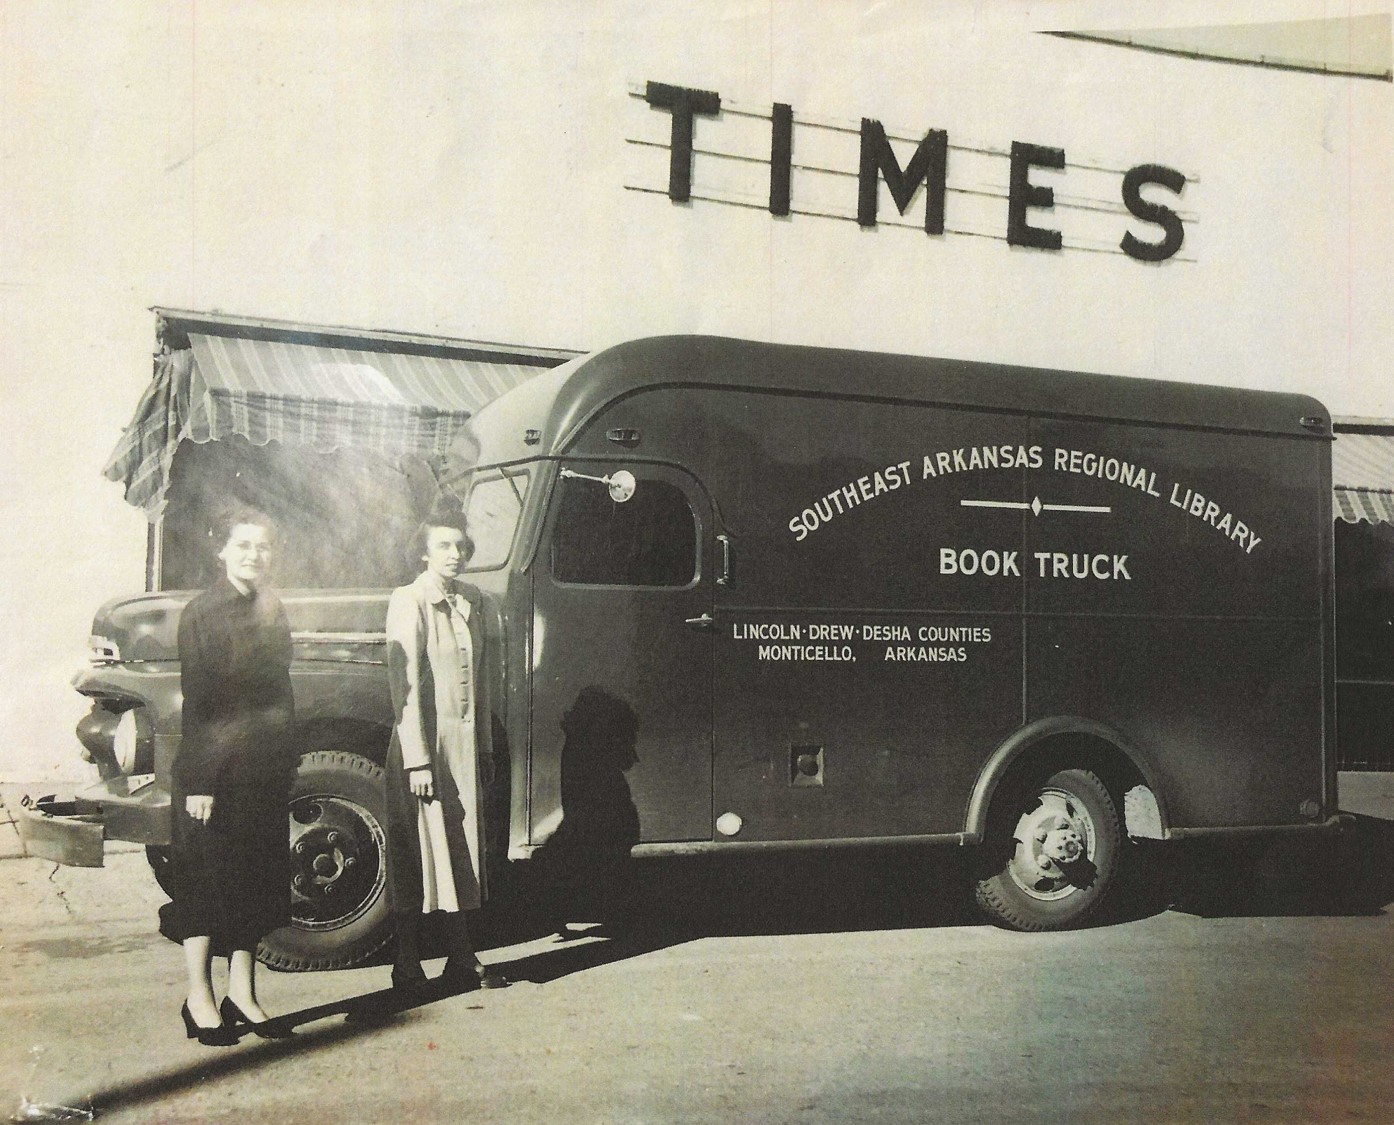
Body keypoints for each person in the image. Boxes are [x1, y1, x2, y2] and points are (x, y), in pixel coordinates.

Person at [163, 506, 296, 1045]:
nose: (254, 556)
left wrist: (287, 758)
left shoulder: (271, 607)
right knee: (204, 884)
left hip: (260, 771)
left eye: (262, 547)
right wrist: (199, 781)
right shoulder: (202, 612)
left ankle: (243, 993)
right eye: (243, 546)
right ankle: (200, 998)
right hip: (211, 775)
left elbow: (281, 692)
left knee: (254, 882)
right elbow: (201, 700)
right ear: (222, 552)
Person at [384, 498, 509, 993]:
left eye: (460, 545)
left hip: (461, 751)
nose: (454, 554)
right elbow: (405, 685)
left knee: (458, 851)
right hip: (425, 751)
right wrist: (417, 759)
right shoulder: (409, 600)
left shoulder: (471, 602)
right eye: (443, 545)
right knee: (418, 852)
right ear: (424, 553)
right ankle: (406, 962)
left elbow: (478, 686)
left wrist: (483, 749)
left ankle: (461, 956)